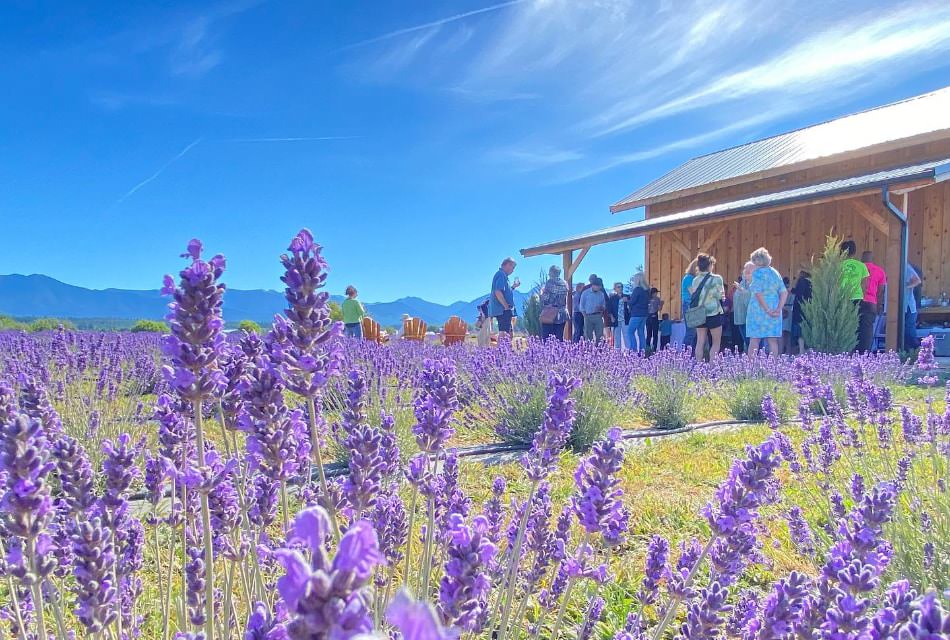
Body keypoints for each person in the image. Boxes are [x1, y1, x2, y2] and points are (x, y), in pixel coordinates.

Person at [746, 247, 788, 356]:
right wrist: (779, 308)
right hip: (775, 309)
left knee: (754, 340)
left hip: (758, 310)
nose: (753, 263)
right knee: (772, 341)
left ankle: (751, 369)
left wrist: (767, 309)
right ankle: (773, 368)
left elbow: (758, 293)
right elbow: (784, 292)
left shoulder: (757, 273)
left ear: (758, 261)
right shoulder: (775, 273)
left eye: (754, 260)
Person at [687, 253, 726, 360]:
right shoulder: (717, 278)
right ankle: (712, 367)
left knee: (700, 342)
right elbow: (720, 295)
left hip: (700, 313)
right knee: (716, 343)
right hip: (714, 313)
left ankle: (699, 367)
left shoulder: (695, 280)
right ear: (710, 265)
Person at [839, 240, 870, 350]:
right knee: (859, 326)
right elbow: (865, 285)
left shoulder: (838, 266)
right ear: (854, 252)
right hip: (858, 298)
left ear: (841, 251)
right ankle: (859, 351)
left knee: (844, 327)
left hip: (842, 299)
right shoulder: (862, 266)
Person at [859, 252, 886, 353]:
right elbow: (881, 291)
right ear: (872, 259)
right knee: (868, 329)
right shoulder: (880, 271)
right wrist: (879, 305)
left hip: (857, 300)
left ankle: (855, 352)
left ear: (862, 258)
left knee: (855, 327)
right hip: (871, 302)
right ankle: (866, 352)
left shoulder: (858, 269)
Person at [489, 257, 520, 336]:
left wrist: (513, 287)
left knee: (508, 333)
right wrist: (506, 306)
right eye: (512, 267)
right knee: (504, 333)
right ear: (506, 265)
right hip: (502, 309)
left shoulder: (504, 276)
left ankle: (505, 348)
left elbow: (505, 292)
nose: (513, 270)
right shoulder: (501, 274)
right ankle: (502, 348)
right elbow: (498, 292)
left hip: (503, 309)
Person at [539, 265, 569, 341]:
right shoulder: (565, 283)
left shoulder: (550, 283)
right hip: (562, 313)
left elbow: (545, 298)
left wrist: (541, 292)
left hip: (550, 313)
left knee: (547, 339)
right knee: (559, 338)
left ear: (552, 273)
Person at [732, 262, 754, 354]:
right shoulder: (743, 282)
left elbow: (751, 298)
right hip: (740, 317)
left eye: (747, 271)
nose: (745, 272)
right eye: (745, 270)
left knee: (751, 342)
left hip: (749, 318)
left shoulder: (753, 283)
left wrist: (741, 289)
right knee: (746, 341)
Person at [625, 272, 650, 352]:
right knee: (641, 333)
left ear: (638, 280)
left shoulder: (637, 290)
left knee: (630, 332)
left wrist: (627, 300)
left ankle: (633, 350)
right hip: (644, 314)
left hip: (636, 314)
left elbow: (632, 302)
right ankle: (642, 351)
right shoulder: (646, 290)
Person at [579, 278, 607, 342]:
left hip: (598, 316)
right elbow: (581, 306)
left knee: (600, 335)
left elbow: (604, 306)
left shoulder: (601, 294)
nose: (599, 288)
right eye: (598, 286)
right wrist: (585, 316)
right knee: (588, 336)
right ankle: (589, 350)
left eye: (600, 286)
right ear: (593, 285)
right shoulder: (585, 293)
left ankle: (599, 350)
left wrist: (601, 308)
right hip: (588, 316)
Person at [791, 270, 812, 354]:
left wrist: (792, 291)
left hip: (800, 310)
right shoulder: (811, 283)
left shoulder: (802, 281)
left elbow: (799, 294)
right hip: (808, 309)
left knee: (800, 332)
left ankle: (801, 350)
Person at [681, 260, 699, 350]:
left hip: (693, 306)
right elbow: (693, 293)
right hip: (689, 305)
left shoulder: (692, 278)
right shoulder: (689, 278)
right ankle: (685, 356)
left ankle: (691, 355)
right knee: (691, 332)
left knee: (695, 333)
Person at [904, 263, 922, 350]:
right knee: (905, 331)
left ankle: (918, 350)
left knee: (909, 330)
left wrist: (905, 287)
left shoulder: (906, 267)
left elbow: (917, 280)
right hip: (903, 305)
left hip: (908, 305)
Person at [608, 282, 626, 349]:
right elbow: (609, 309)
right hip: (616, 320)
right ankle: (617, 354)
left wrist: (628, 302)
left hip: (625, 320)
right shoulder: (612, 298)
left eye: (621, 286)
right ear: (615, 289)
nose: (620, 288)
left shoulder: (627, 297)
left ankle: (629, 354)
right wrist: (612, 317)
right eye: (618, 287)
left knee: (626, 337)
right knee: (617, 337)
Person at [782, 277, 795, 354]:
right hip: (790, 309)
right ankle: (788, 350)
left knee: (783, 332)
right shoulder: (791, 290)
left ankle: (783, 349)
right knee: (788, 332)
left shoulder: (782, 291)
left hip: (784, 309)